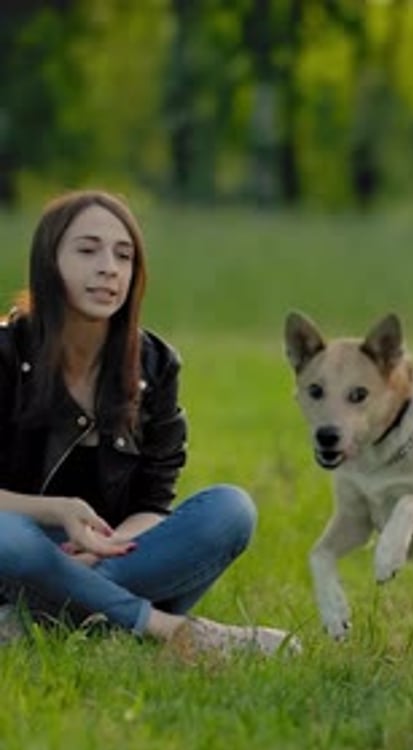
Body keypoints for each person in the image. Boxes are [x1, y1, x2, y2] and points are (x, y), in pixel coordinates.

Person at [0, 189, 299, 656]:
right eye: (87, 250)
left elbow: (153, 503)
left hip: (109, 554)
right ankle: (170, 630)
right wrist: (58, 511)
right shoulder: (5, 354)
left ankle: (30, 623)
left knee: (231, 510)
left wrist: (107, 546)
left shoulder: (155, 366)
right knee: (9, 537)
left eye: (124, 255)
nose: (109, 267)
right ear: (48, 262)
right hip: (21, 552)